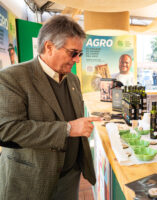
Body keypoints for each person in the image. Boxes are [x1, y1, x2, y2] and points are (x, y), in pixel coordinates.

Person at [0, 15, 101, 200]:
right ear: (49, 47)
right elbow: (6, 130)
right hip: (32, 181)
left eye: (80, 54)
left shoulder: (73, 79)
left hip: (70, 176)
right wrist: (68, 129)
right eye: (73, 53)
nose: (77, 60)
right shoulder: (12, 77)